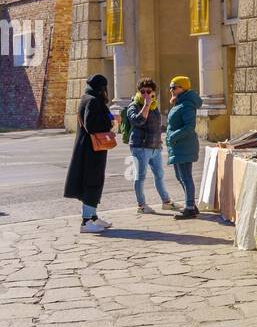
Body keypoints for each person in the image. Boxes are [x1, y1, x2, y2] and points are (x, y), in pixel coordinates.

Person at [64, 73, 115, 234]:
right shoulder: (93, 101)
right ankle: (86, 222)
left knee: (93, 180)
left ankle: (93, 217)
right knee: (92, 181)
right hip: (91, 150)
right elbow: (91, 125)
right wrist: (110, 122)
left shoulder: (88, 98)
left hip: (89, 148)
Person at [127, 79, 177, 215]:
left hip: (155, 147)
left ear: (154, 92)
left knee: (159, 175)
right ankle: (141, 205)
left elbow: (156, 127)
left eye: (148, 91)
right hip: (140, 147)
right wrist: (146, 105)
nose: (145, 94)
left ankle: (166, 202)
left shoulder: (154, 106)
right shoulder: (134, 105)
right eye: (142, 92)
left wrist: (159, 143)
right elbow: (137, 120)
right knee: (140, 176)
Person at [165, 76, 202, 219]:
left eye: (174, 87)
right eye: (170, 87)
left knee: (186, 177)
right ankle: (190, 202)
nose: (171, 90)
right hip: (178, 145)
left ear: (183, 88)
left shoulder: (186, 104)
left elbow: (189, 127)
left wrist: (173, 136)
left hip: (184, 145)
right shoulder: (179, 102)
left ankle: (190, 208)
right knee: (180, 176)